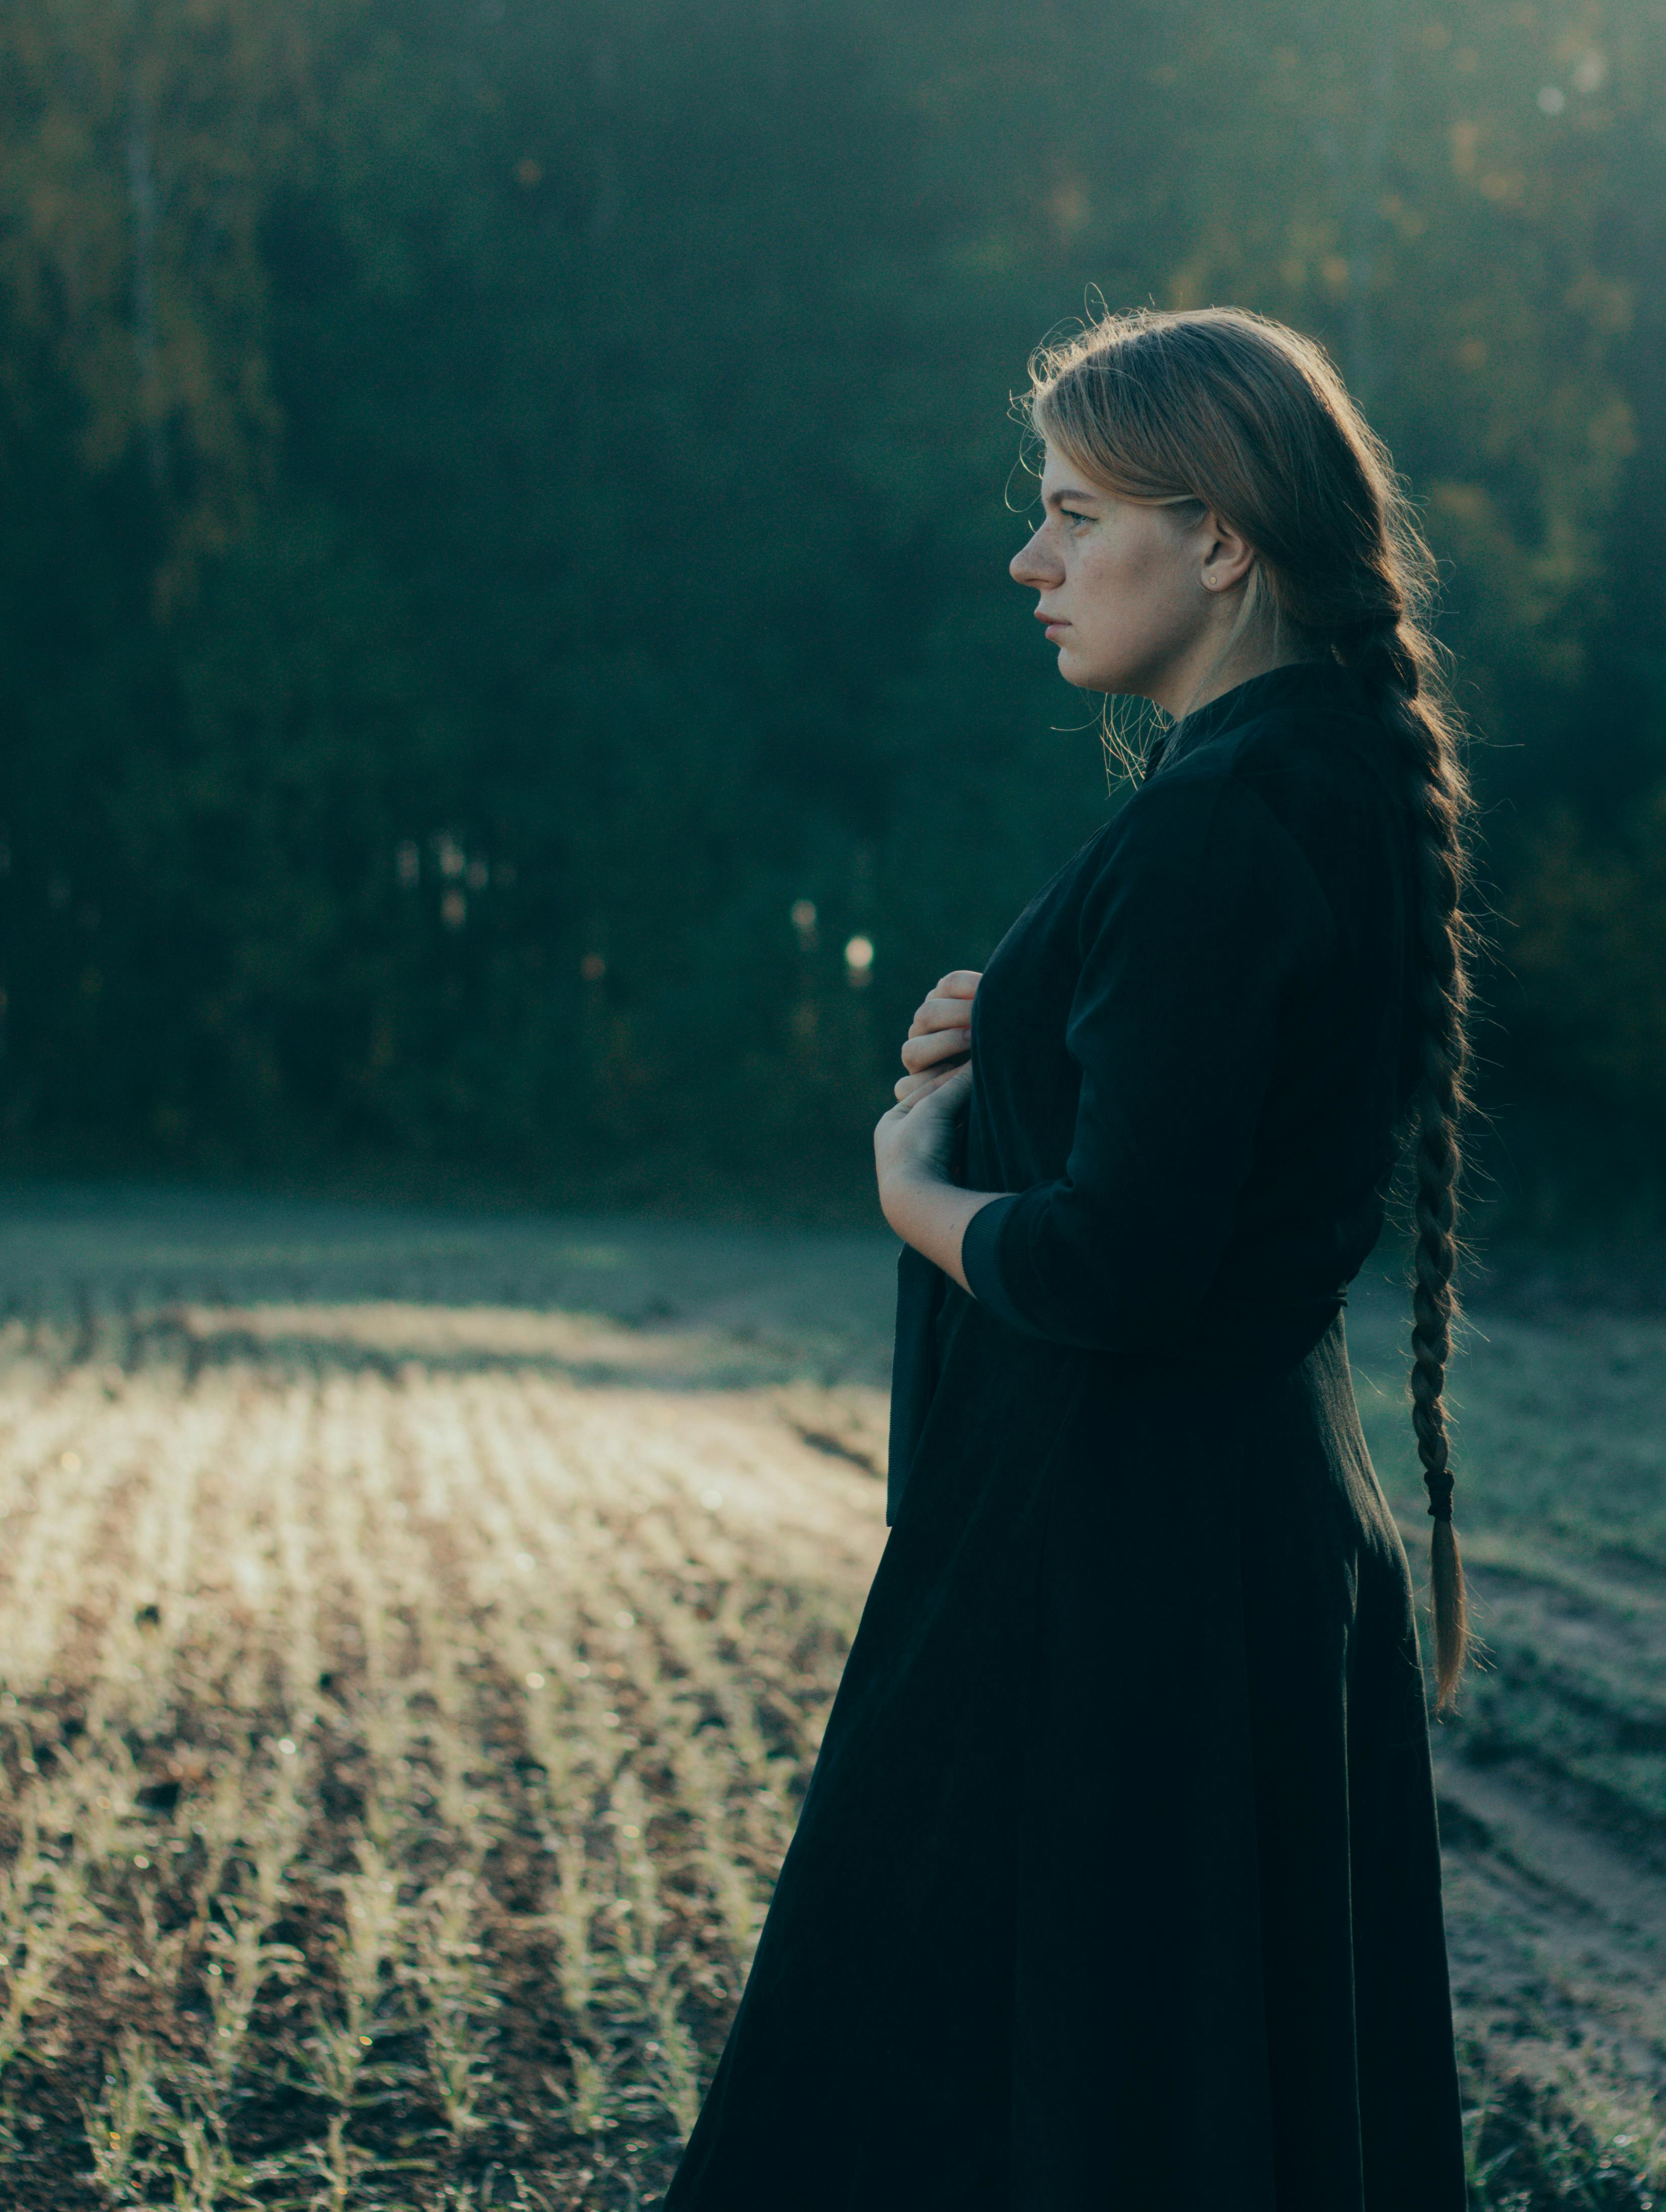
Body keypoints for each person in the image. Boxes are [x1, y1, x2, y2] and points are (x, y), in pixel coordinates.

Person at [664, 306, 1472, 2210]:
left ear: (1218, 540)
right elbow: (1198, 1115)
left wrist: (916, 1190)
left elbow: (1117, 1263)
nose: (1028, 560)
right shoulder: (1317, 780)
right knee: (1181, 2116)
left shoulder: (1217, 821)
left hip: (1117, 1579)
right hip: (1236, 1549)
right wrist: (1021, 1018)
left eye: (1070, 511)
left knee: (938, 2101)